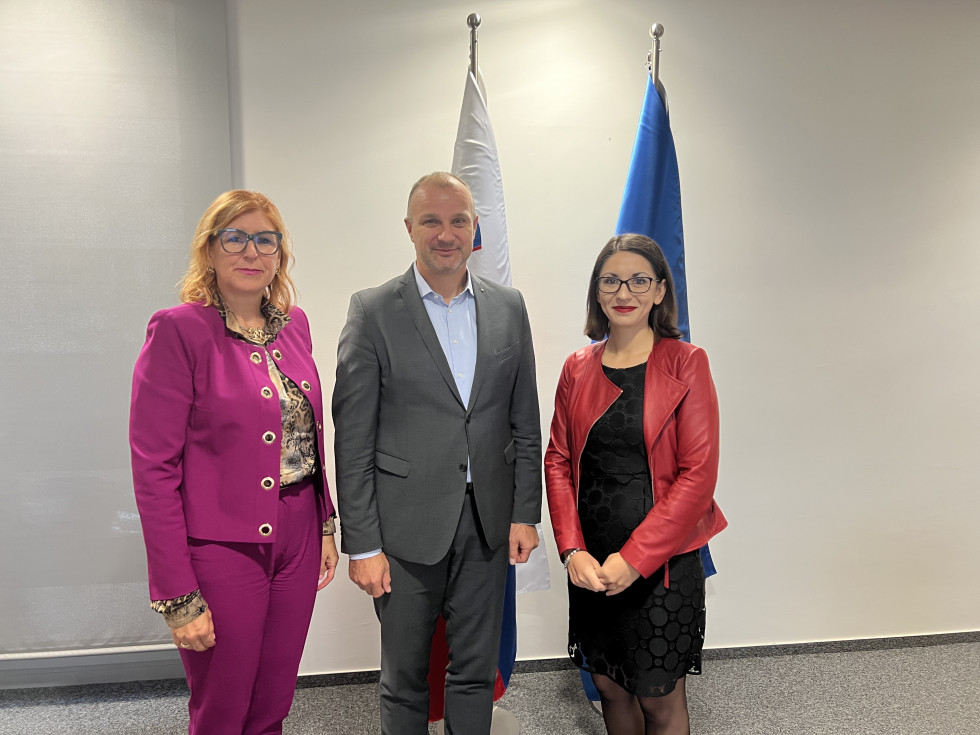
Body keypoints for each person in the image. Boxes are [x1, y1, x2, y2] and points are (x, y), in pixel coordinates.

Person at [332, 171, 542, 735]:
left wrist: (525, 511)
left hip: (488, 523)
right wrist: (363, 543)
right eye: (431, 221)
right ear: (409, 229)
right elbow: (352, 439)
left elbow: (524, 419)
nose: (445, 233)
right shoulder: (373, 310)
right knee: (405, 678)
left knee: (474, 670)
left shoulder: (508, 307)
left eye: (458, 221)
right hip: (403, 530)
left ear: (475, 228)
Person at [129, 190, 338, 735]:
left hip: (298, 533)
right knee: (223, 707)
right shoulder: (179, 330)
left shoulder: (296, 326)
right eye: (235, 238)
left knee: (274, 701)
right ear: (211, 250)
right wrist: (176, 593)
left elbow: (308, 437)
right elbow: (154, 470)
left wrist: (325, 524)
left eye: (265, 240)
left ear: (279, 255)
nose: (251, 251)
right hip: (221, 546)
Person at [545, 234, 727, 735]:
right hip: (592, 560)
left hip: (662, 562)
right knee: (609, 685)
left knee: (658, 698)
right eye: (611, 280)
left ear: (660, 291)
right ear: (597, 292)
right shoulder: (577, 368)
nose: (624, 290)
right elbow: (557, 459)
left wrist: (635, 559)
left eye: (639, 279)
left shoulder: (686, 362)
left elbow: (698, 476)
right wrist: (571, 550)